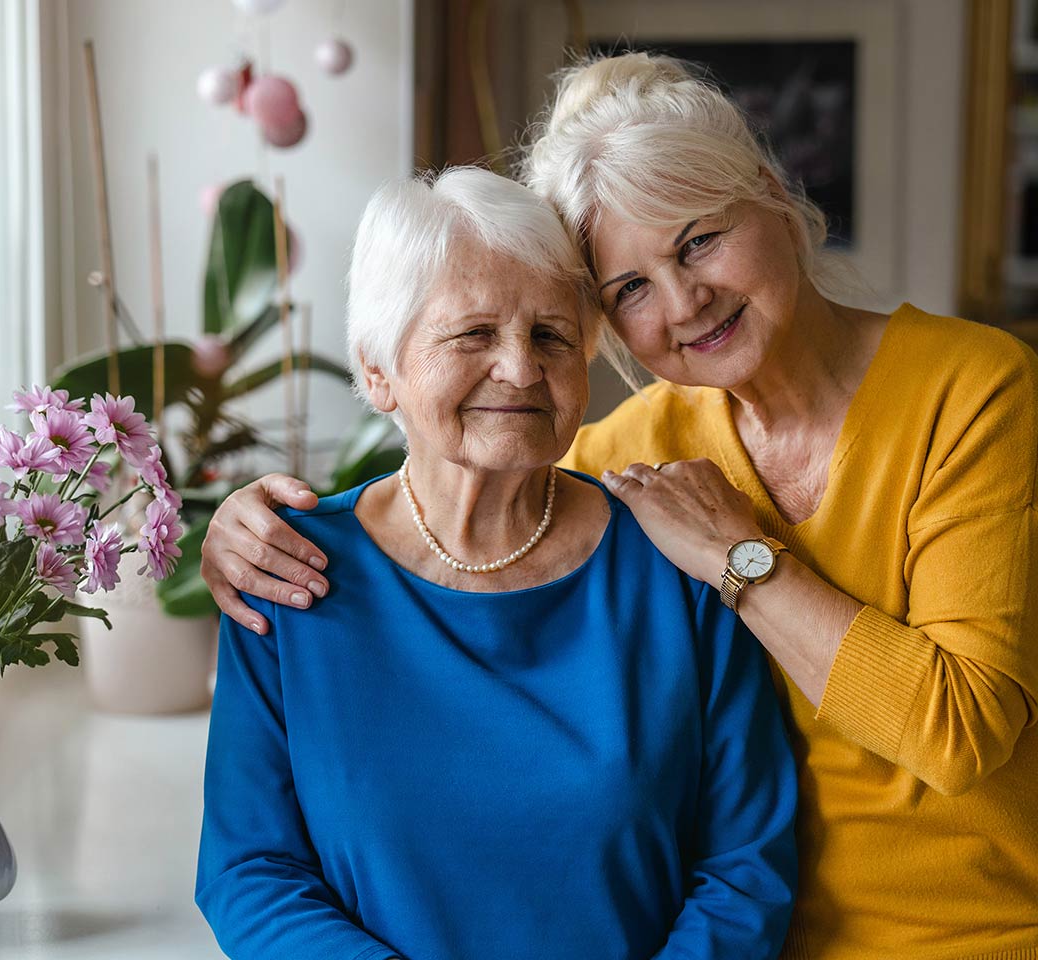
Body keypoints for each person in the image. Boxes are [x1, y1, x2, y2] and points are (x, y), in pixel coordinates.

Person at [200, 53, 1038, 959]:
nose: (684, 302)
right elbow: (493, 463)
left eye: (699, 241)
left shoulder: (973, 390)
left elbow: (958, 733)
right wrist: (236, 525)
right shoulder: (631, 456)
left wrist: (742, 561)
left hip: (966, 930)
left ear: (770, 193)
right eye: (630, 288)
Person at [195, 166, 797, 960]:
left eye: (552, 336)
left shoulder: (675, 558)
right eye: (473, 334)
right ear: (378, 371)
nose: (520, 369)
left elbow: (746, 869)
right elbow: (251, 871)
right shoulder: (286, 570)